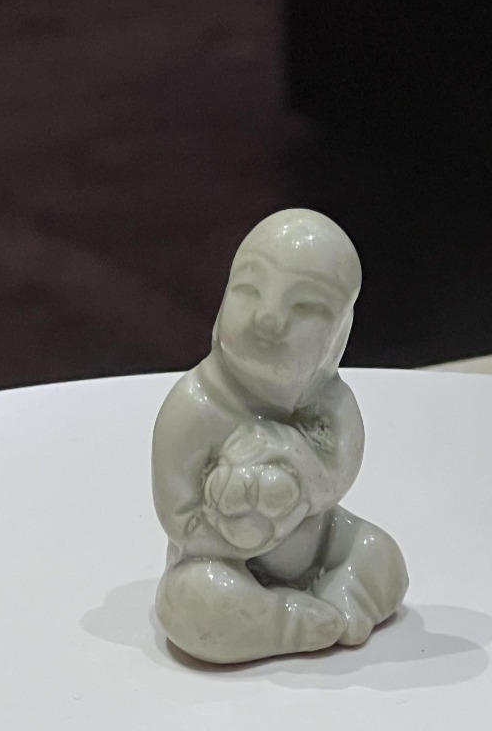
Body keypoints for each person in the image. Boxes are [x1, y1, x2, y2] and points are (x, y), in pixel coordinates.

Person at [152, 208, 408, 663]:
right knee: (192, 598)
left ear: (339, 333)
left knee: (378, 553)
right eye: (249, 289)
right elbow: (179, 520)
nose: (268, 318)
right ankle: (285, 622)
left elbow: (335, 483)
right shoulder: (194, 405)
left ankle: (339, 597)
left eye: (305, 306)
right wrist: (249, 526)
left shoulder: (332, 405)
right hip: (225, 561)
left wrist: (293, 451)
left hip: (321, 543)